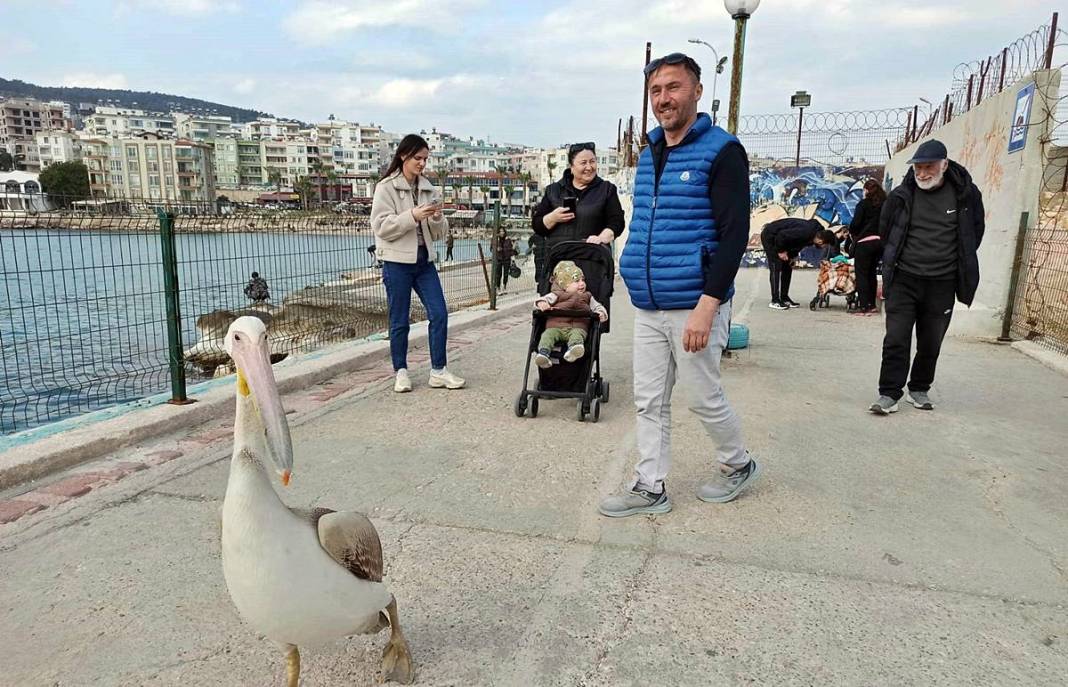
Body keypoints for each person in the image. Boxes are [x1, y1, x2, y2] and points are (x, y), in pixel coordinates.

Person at [600, 52, 757, 518]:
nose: (663, 99)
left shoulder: (722, 151)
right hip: (649, 302)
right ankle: (649, 486)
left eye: (673, 87)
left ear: (696, 92)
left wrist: (708, 307)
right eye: (655, 91)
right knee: (648, 401)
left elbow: (734, 236)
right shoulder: (650, 152)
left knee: (704, 398)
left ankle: (738, 463)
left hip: (694, 301)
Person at [870, 139, 984, 414]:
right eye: (918, 168)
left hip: (942, 282)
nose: (922, 173)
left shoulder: (966, 195)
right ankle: (889, 394)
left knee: (931, 340)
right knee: (896, 338)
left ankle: (919, 388)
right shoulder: (901, 196)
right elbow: (886, 233)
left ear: (944, 165)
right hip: (904, 279)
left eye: (929, 167)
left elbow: (974, 233)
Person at [371, 133, 465, 393]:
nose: (422, 163)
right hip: (396, 262)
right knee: (399, 320)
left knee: (439, 314)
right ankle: (400, 371)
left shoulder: (428, 189)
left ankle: (438, 370)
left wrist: (436, 217)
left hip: (425, 261)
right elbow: (381, 227)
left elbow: (439, 232)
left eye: (425, 158)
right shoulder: (386, 187)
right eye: (418, 158)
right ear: (403, 156)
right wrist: (412, 215)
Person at [532, 142, 625, 252]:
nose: (589, 167)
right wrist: (553, 218)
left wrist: (601, 238)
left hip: (593, 258)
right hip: (559, 260)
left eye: (592, 162)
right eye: (583, 163)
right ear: (571, 167)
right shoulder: (553, 190)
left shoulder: (607, 189)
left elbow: (617, 222)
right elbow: (537, 226)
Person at [532, 261, 608, 368]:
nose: (582, 284)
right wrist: (542, 303)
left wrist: (601, 313)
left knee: (577, 335)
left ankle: (574, 350)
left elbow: (597, 306)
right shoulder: (556, 295)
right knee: (547, 335)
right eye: (576, 281)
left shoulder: (587, 296)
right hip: (555, 327)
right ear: (565, 285)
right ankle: (543, 354)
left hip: (577, 327)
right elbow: (542, 300)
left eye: (583, 280)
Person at [759, 218, 837, 310]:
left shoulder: (813, 234)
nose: (823, 248)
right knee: (776, 266)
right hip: (771, 236)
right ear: (821, 241)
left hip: (784, 241)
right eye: (825, 246)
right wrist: (781, 251)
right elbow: (782, 236)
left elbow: (797, 243)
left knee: (788, 267)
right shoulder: (806, 232)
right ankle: (775, 300)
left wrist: (793, 256)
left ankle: (784, 298)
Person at [848, 179, 887, 314]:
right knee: (871, 273)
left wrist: (853, 233)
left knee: (862, 274)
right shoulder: (884, 205)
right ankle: (872, 304)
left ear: (866, 190)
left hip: (864, 243)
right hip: (879, 242)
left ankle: (864, 306)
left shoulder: (863, 204)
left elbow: (855, 225)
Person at [493, 229, 516, 293]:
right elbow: (491, 248)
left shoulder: (508, 240)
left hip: (507, 259)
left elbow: (511, 250)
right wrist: (496, 249)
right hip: (499, 259)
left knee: (506, 274)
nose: (502, 233)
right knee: (498, 274)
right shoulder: (496, 240)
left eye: (503, 231)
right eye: (500, 231)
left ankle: (504, 286)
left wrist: (513, 258)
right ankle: (498, 288)